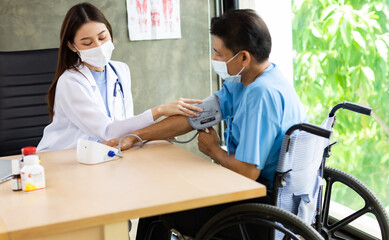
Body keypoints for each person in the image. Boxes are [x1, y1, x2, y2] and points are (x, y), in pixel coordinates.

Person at [105, 9, 308, 239]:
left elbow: (247, 172)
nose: (214, 60)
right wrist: (138, 135)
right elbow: (196, 116)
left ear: (243, 57)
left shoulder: (261, 94)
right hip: (256, 195)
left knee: (158, 205)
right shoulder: (248, 81)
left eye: (219, 54)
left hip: (260, 209)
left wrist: (214, 150)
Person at [37, 2, 202, 152]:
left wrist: (149, 136)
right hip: (64, 157)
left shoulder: (120, 70)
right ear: (72, 46)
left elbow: (124, 123)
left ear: (110, 31)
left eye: (102, 37)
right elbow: (107, 131)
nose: (99, 47)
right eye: (87, 43)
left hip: (102, 153)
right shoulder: (70, 82)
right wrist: (158, 111)